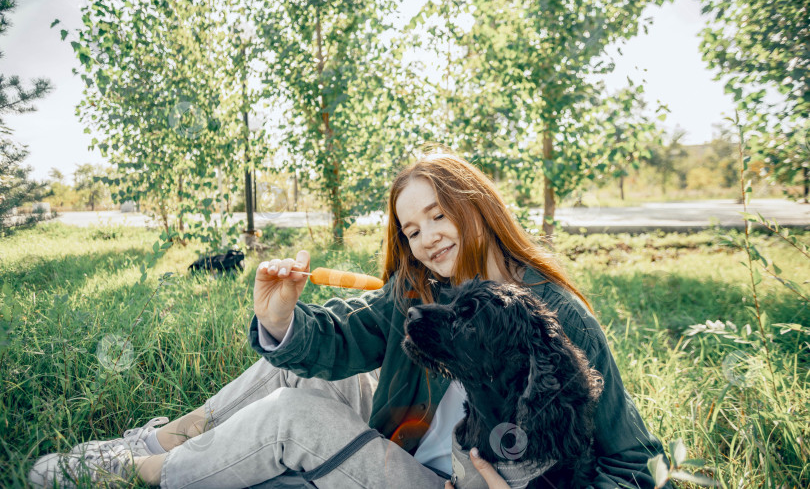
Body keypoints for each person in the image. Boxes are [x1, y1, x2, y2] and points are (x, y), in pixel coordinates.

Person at [30, 153, 670, 489]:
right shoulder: (425, 288)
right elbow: (342, 337)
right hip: (404, 440)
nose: (424, 239)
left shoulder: (555, 317)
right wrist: (283, 319)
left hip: (450, 482)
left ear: (476, 207)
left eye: (437, 217)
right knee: (295, 374)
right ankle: (172, 437)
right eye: (410, 229)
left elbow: (633, 464)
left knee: (291, 417)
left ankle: (144, 471)